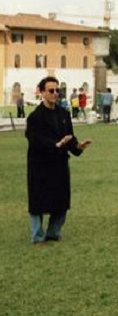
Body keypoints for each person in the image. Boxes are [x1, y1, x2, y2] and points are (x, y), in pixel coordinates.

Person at [25, 77, 92, 246]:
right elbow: (34, 139)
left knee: (61, 201)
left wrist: (78, 146)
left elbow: (69, 136)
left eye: (57, 91)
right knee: (38, 202)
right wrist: (54, 144)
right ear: (42, 92)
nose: (55, 94)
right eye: (51, 91)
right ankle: (38, 237)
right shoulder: (35, 117)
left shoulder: (64, 114)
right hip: (40, 164)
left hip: (60, 163)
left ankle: (53, 233)